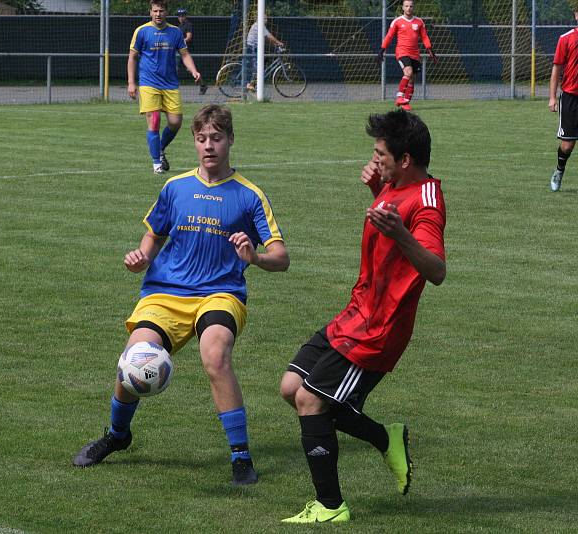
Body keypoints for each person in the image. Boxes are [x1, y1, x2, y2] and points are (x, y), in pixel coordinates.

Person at [72, 104, 290, 486]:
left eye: (217, 139)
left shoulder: (250, 195)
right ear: (194, 141)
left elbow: (281, 258)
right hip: (165, 292)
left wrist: (254, 257)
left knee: (215, 356)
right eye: (202, 139)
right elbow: (153, 233)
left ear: (230, 141)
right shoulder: (175, 187)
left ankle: (240, 456)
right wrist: (141, 257)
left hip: (220, 294)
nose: (209, 147)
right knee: (132, 359)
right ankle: (117, 436)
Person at [279, 110, 446, 523]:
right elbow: (388, 213)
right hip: (356, 312)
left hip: (378, 329)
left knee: (311, 402)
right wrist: (376, 185)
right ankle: (385, 437)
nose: (375, 158)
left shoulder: (426, 202)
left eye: (381, 153)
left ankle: (331, 507)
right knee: (291, 387)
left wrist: (402, 234)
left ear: (405, 159)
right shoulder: (393, 184)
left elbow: (437, 270)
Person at [128, 1, 202, 175]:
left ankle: (159, 148)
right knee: (154, 121)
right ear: (150, 12)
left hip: (170, 84)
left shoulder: (175, 32)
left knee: (175, 123)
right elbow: (132, 57)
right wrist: (132, 82)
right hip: (148, 84)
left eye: (161, 10)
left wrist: (194, 70)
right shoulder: (141, 31)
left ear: (166, 12)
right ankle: (157, 164)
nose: (158, 14)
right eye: (155, 11)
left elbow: (184, 54)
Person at [377, 0, 437, 111]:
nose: (409, 8)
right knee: (408, 72)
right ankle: (399, 97)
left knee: (412, 79)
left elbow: (424, 37)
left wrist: (430, 49)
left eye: (411, 6)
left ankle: (406, 103)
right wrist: (382, 49)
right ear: (403, 8)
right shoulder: (397, 21)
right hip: (402, 52)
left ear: (413, 8)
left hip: (415, 54)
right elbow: (389, 36)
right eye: (406, 6)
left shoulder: (419, 22)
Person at [548, 8, 578, 192]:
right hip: (570, 97)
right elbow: (556, 69)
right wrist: (552, 97)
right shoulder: (565, 38)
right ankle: (559, 171)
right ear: (576, 15)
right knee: (567, 145)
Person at [245, 18, 284, 92]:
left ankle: (253, 84)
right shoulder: (259, 26)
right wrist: (279, 43)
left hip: (254, 48)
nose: (266, 20)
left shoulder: (259, 26)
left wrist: (275, 44)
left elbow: (267, 38)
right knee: (257, 68)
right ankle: (250, 84)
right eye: (264, 18)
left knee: (263, 63)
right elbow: (269, 36)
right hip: (253, 48)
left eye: (266, 18)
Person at [177, 8, 208, 95]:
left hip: (187, 51)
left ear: (185, 16)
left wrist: (180, 41)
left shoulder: (188, 25)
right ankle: (171, 87)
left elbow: (188, 37)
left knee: (190, 69)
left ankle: (202, 85)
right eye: (179, 16)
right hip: (179, 51)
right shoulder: (179, 27)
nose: (180, 18)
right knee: (174, 67)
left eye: (182, 16)